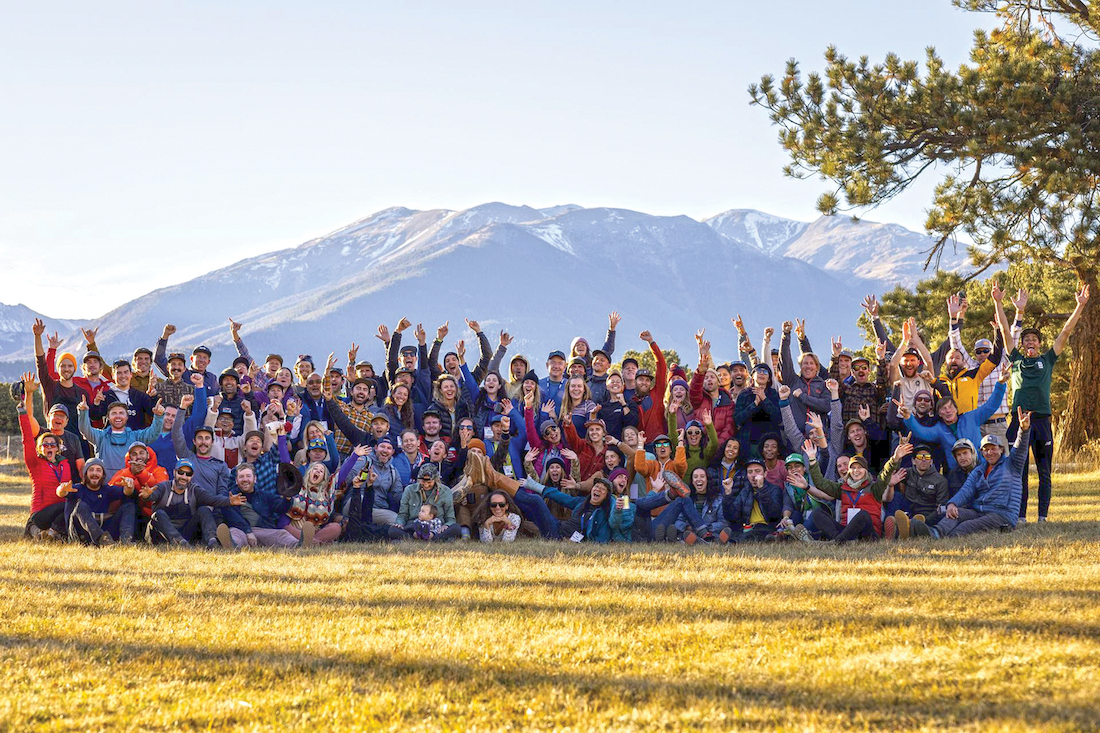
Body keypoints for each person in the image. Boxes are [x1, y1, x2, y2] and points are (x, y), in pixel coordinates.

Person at [1005, 284, 1089, 522]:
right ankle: (1019, 516)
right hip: (1019, 423)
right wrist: (999, 304)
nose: (1030, 342)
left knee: (1044, 472)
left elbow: (1065, 331)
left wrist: (1079, 306)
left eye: (1034, 339)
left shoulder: (1048, 359)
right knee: (1018, 471)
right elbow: (1003, 329)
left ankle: (1042, 516)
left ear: (1039, 344)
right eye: (1026, 340)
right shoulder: (1016, 360)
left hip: (1041, 420)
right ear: (1022, 345)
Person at [912, 408, 1033, 538]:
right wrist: (952, 504)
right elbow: (966, 491)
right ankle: (934, 532)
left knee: (965, 527)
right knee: (955, 512)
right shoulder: (979, 471)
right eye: (985, 450)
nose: (989, 452)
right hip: (979, 511)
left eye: (993, 448)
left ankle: (945, 536)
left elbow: (1020, 449)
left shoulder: (1012, 464)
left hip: (1002, 515)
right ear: (981, 452)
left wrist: (1023, 430)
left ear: (1001, 449)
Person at [803, 439, 905, 543]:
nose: (856, 471)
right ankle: (839, 541)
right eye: (853, 468)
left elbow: (885, 473)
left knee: (863, 515)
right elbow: (820, 483)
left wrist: (895, 458)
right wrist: (812, 459)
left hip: (868, 534)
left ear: (866, 470)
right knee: (817, 513)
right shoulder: (842, 488)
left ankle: (837, 542)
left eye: (860, 467)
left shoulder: (875, 487)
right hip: (846, 531)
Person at [140, 458, 247, 548]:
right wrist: (147, 496)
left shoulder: (195, 490)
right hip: (160, 535)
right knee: (158, 514)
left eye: (188, 474)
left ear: (192, 476)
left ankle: (213, 542)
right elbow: (153, 495)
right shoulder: (163, 487)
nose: (184, 477)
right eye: (180, 472)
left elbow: (212, 499)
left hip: (186, 534)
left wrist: (229, 501)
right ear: (174, 472)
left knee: (204, 510)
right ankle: (180, 543)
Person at [58, 458, 137, 546]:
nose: (95, 473)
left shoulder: (107, 490)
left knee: (128, 506)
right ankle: (102, 540)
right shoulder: (76, 488)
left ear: (103, 475)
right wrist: (61, 489)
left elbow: (126, 492)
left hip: (104, 530)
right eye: (91, 470)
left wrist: (129, 486)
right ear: (85, 474)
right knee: (81, 506)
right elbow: (61, 493)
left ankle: (126, 541)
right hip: (82, 534)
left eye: (98, 470)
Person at [890, 443, 950, 539]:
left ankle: (907, 528)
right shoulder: (907, 473)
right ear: (913, 461)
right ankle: (897, 524)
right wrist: (897, 457)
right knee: (895, 496)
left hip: (926, 515)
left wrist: (926, 519)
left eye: (927, 457)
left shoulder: (940, 480)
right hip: (908, 510)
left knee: (919, 521)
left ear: (931, 461)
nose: (923, 459)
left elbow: (941, 508)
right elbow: (888, 473)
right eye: (919, 456)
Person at [391, 464, 461, 541]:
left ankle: (430, 538)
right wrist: (399, 523)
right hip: (414, 525)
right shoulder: (409, 490)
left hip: (436, 527)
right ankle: (417, 537)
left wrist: (446, 525)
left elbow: (450, 517)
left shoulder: (445, 491)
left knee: (456, 528)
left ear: (436, 480)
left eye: (429, 482)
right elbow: (403, 514)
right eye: (423, 481)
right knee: (392, 530)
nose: (426, 485)